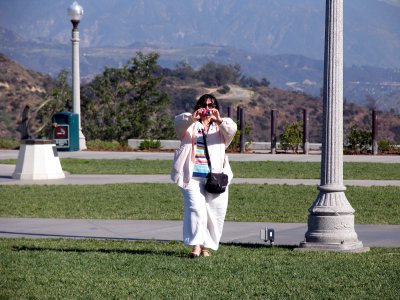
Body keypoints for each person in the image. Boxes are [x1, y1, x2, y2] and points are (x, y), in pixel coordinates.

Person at [171, 94, 237, 257]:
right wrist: (193, 118)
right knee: (196, 209)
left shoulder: (220, 128)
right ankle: (196, 246)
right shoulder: (191, 126)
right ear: (199, 106)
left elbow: (232, 129)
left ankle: (206, 247)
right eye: (205, 105)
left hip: (215, 178)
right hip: (191, 177)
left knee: (214, 213)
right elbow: (178, 122)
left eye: (212, 105)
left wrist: (219, 120)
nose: (208, 108)